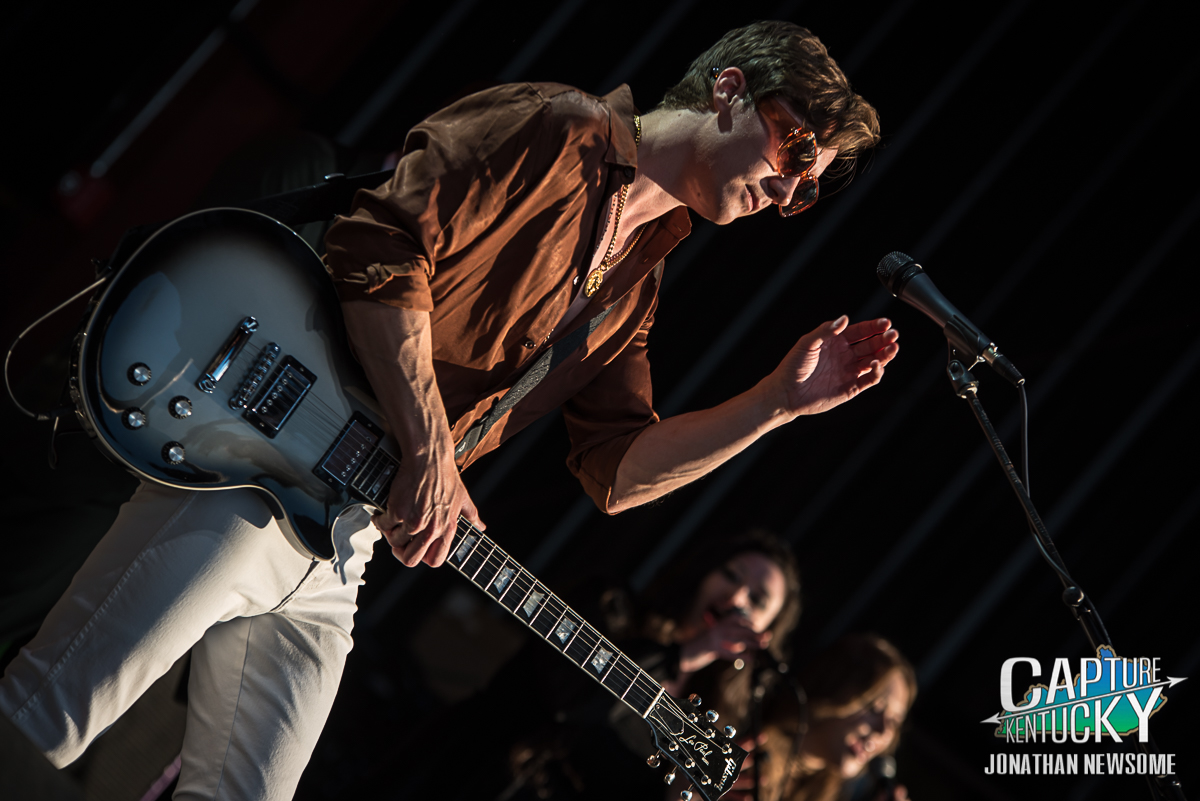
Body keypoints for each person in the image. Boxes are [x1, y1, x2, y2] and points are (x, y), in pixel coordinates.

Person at [1, 20, 895, 801]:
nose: (791, 190)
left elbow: (619, 471)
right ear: (730, 89)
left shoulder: (637, 284)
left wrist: (775, 405)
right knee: (46, 715)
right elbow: (381, 246)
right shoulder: (560, 127)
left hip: (343, 542)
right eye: (796, 152)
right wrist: (431, 451)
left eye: (810, 185)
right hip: (263, 457)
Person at [395, 530, 801, 801]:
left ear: (766, 634)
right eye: (730, 575)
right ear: (704, 573)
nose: (736, 598)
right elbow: (569, 696)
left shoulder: (708, 725)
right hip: (462, 772)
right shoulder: (612, 607)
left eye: (757, 600)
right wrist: (689, 651)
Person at [736, 634, 917, 801]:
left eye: (894, 722)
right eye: (875, 708)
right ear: (835, 689)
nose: (883, 731)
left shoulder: (827, 791)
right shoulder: (741, 749)